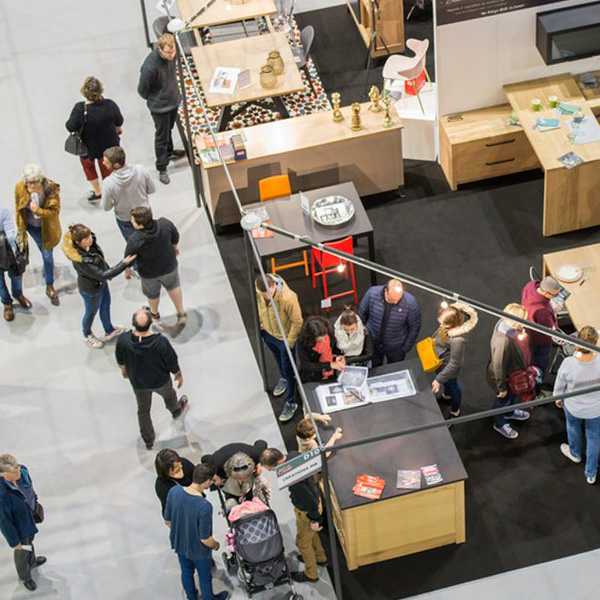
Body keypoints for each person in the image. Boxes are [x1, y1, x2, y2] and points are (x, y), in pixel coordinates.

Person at [115, 308, 189, 449]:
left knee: (143, 410)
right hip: (160, 380)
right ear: (150, 324)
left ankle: (148, 440)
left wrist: (124, 370)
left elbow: (120, 359)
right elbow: (171, 361)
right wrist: (178, 375)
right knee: (169, 396)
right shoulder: (160, 342)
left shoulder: (123, 340)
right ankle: (176, 410)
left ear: (132, 324)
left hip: (139, 383)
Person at [164, 463, 230, 600]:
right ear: (206, 482)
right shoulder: (204, 506)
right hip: (198, 551)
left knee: (186, 571)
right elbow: (205, 538)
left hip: (179, 543)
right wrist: (216, 545)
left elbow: (167, 521)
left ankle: (191, 596)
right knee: (204, 577)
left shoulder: (174, 491)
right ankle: (209, 598)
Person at [63, 224, 134, 348]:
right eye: (86, 239)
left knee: (106, 305)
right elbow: (102, 274)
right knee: (91, 312)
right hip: (91, 290)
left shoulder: (91, 244)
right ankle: (87, 334)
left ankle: (109, 330)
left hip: (101, 284)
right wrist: (123, 264)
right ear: (78, 242)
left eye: (89, 235)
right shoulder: (81, 261)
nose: (90, 239)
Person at [261, 448, 326, 583]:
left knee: (302, 544)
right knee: (311, 536)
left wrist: (316, 519)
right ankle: (320, 557)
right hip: (314, 503)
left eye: (270, 469)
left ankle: (311, 574)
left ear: (277, 464)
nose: (270, 471)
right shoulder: (294, 455)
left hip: (307, 512)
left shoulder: (292, 478)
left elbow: (308, 498)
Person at [137, 33, 186, 185]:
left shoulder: (170, 56)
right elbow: (142, 90)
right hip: (160, 108)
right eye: (169, 52)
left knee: (168, 130)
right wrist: (157, 100)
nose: (172, 55)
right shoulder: (150, 67)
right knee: (161, 136)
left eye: (174, 52)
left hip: (173, 101)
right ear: (159, 49)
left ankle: (169, 152)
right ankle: (162, 167)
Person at [65, 76, 124, 201]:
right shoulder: (110, 105)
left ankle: (98, 192)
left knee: (89, 168)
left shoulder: (80, 109)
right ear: (100, 90)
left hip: (87, 148)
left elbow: (70, 126)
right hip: (109, 147)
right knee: (107, 168)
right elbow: (119, 120)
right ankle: (111, 192)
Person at [125, 206, 186, 326]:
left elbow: (129, 258)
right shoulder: (165, 224)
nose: (131, 221)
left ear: (140, 225)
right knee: (174, 286)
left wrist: (127, 271)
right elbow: (175, 236)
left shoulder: (135, 239)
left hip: (149, 274)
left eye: (132, 220)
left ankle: (154, 315)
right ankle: (181, 313)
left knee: (152, 294)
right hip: (170, 266)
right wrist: (175, 247)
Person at [101, 146, 156, 278]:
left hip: (125, 219)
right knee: (150, 239)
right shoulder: (141, 170)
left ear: (116, 165)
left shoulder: (108, 183)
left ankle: (139, 269)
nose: (103, 163)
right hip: (146, 214)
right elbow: (152, 189)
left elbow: (106, 207)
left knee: (133, 245)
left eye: (106, 162)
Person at [554, 326, 600, 484]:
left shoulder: (569, 363)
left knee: (573, 427)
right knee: (594, 438)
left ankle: (575, 454)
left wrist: (557, 399)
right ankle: (591, 472)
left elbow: (559, 385)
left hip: (574, 406)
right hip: (595, 409)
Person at [255, 274, 303, 422]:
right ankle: (283, 377)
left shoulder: (288, 298)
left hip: (284, 339)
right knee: (279, 362)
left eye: (268, 293)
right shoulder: (259, 292)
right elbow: (259, 309)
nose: (266, 297)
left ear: (274, 286)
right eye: (263, 295)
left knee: (289, 370)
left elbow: (297, 322)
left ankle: (291, 402)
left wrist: (289, 343)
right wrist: (262, 329)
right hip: (269, 335)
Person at [14, 164, 62, 306]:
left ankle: (49, 284)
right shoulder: (20, 188)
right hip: (29, 227)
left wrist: (38, 211)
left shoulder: (51, 189)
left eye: (35, 182)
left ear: (40, 180)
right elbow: (18, 208)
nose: (33, 185)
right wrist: (20, 228)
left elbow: (55, 211)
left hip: (45, 228)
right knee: (28, 252)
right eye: (30, 182)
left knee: (47, 255)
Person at [0, 454, 46, 592]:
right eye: (14, 472)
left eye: (18, 468)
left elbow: (29, 489)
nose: (18, 472)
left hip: (29, 517)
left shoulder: (23, 472)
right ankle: (25, 576)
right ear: (3, 475)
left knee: (30, 540)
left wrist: (35, 501)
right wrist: (14, 542)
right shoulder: (2, 495)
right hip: (19, 524)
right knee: (22, 550)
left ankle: (32, 562)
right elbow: (4, 521)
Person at [486, 303, 532, 439]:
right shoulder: (503, 341)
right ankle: (499, 423)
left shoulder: (504, 321)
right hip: (505, 379)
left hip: (513, 374)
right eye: (521, 321)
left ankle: (509, 412)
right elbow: (498, 365)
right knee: (502, 400)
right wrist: (502, 388)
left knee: (511, 398)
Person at [358, 279, 422, 367]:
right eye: (392, 300)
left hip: (396, 348)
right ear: (385, 291)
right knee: (375, 368)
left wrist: (405, 348)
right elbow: (362, 315)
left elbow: (415, 327)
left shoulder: (410, 304)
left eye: (398, 300)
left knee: (395, 369)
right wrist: (363, 338)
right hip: (373, 343)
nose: (396, 302)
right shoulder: (372, 294)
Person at [431, 302, 478, 418]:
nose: (440, 324)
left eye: (443, 323)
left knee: (453, 386)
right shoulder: (450, 322)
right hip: (441, 362)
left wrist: (438, 379)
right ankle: (447, 397)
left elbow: (455, 363)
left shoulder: (457, 340)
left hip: (448, 367)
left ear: (452, 325)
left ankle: (455, 410)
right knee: (449, 386)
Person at [521, 275, 560, 375]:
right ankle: (538, 377)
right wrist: (553, 312)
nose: (557, 297)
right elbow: (549, 331)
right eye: (555, 295)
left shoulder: (530, 286)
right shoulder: (543, 310)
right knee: (542, 358)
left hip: (528, 329)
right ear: (546, 293)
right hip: (540, 339)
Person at [0, 204, 31, 321]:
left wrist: (14, 253)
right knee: (0, 284)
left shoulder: (2, 211)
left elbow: (10, 232)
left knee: (17, 276)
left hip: (9, 250)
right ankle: (7, 303)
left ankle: (18, 294)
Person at [297, 316, 346, 385]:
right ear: (312, 338)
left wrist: (338, 356)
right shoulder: (303, 341)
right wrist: (329, 365)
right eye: (320, 340)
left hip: (332, 373)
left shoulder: (330, 332)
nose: (323, 340)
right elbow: (307, 365)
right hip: (313, 376)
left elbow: (335, 347)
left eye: (325, 337)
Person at [155, 449, 196, 516]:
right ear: (165, 473)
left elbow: (197, 476)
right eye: (177, 471)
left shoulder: (184, 463)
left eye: (181, 467)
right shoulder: (162, 487)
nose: (181, 472)